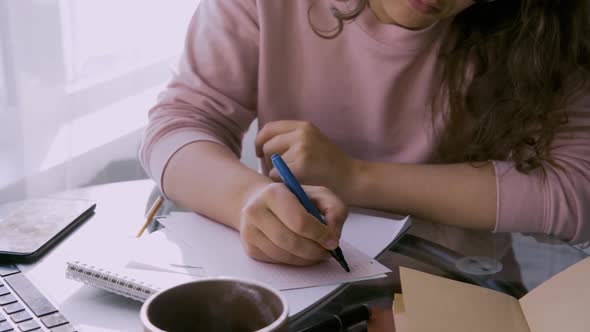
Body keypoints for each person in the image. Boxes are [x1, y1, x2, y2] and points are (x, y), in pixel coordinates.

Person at [140, 0, 590, 268]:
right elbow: (179, 123)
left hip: (458, 285)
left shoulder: (540, 23)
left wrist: (356, 178)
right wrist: (244, 200)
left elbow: (575, 192)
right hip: (298, 285)